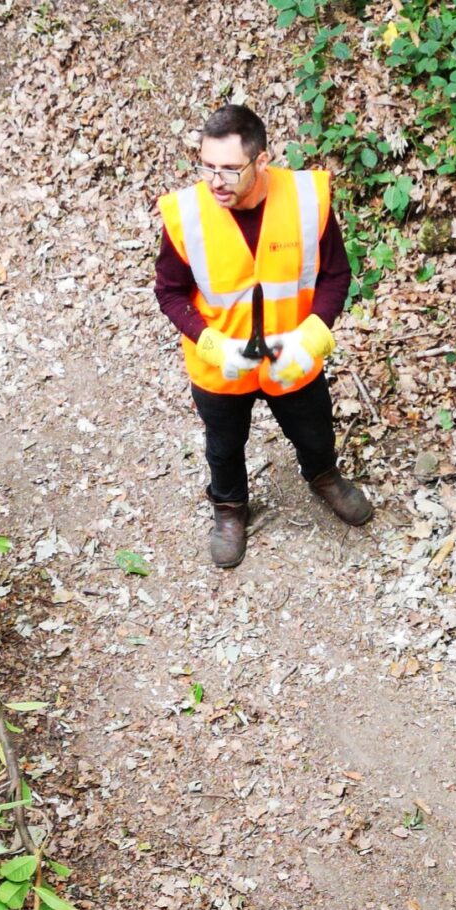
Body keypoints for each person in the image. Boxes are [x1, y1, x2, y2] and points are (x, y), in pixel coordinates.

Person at [153, 103, 372, 569]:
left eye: (230, 170)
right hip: (222, 360)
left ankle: (324, 476)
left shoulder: (308, 200)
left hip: (292, 354)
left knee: (314, 430)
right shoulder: (187, 214)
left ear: (262, 160)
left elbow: (336, 276)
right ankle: (230, 508)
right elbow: (170, 292)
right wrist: (211, 343)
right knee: (224, 444)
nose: (216, 181)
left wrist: (311, 339)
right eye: (207, 166)